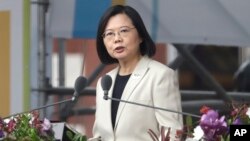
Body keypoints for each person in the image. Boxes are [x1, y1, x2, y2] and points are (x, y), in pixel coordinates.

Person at [90, 5, 183, 141]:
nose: (117, 39)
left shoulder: (160, 76)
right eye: (109, 34)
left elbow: (173, 133)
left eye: (123, 31)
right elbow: (100, 136)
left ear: (140, 36)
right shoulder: (104, 82)